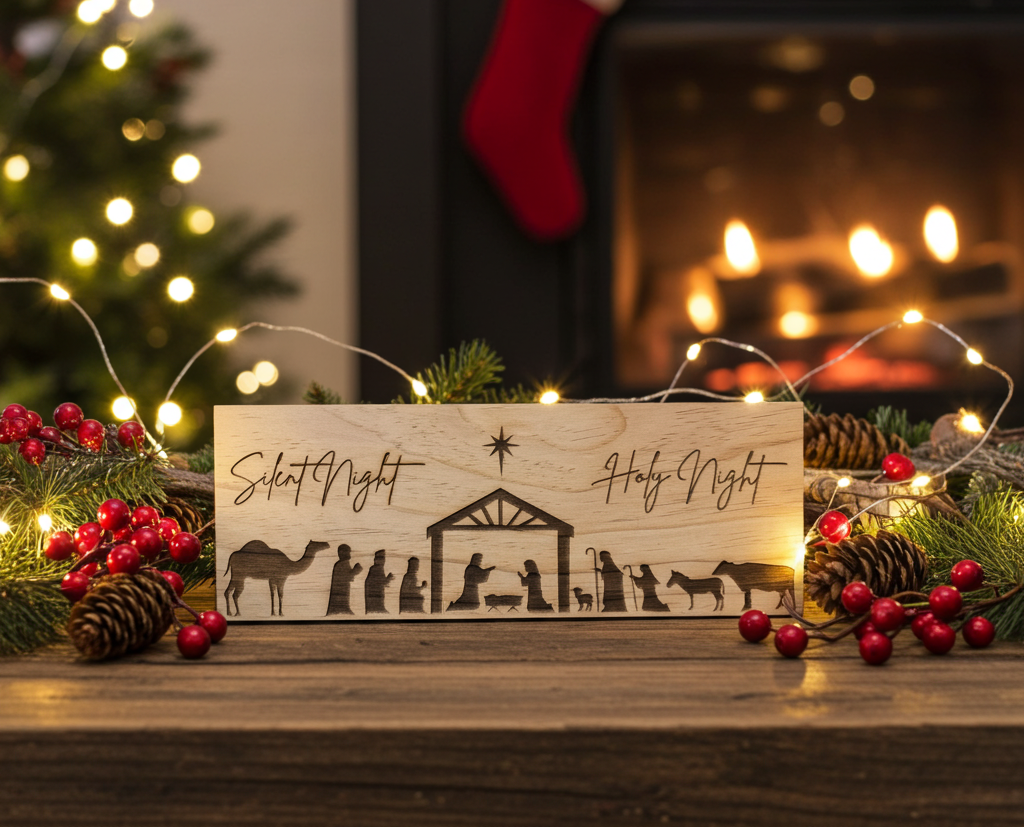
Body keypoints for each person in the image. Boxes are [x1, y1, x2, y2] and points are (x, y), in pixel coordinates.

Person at [325, 544, 361, 616]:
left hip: (343, 592)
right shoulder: (341, 564)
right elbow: (347, 577)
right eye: (348, 552)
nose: (349, 554)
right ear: (341, 552)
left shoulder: (343, 563)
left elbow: (348, 577)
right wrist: (356, 570)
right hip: (340, 594)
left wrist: (355, 571)